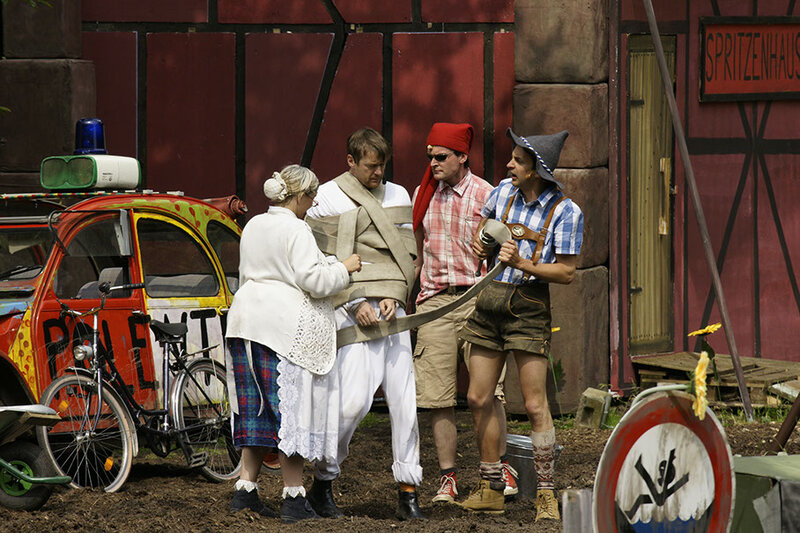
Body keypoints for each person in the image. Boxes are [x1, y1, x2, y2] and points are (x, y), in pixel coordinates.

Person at [225, 165, 362, 523]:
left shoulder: (254, 224)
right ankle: (294, 498)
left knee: (256, 412)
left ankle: (245, 491)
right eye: (311, 196)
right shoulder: (297, 229)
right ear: (300, 196)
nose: (313, 203)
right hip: (280, 327)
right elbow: (312, 280)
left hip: (244, 322)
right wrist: (344, 268)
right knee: (292, 415)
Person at [459, 128, 583, 520]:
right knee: (478, 397)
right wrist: (482, 245)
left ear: (535, 170)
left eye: (517, 160)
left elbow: (566, 272)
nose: (509, 164)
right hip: (490, 301)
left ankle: (545, 494)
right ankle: (491, 487)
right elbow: (483, 237)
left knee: (533, 403)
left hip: (529, 306)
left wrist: (522, 263)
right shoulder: (501, 194)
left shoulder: (566, 211)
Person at [305, 127, 425, 521]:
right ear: (350, 161)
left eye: (382, 166)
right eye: (371, 166)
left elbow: (407, 256)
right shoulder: (326, 196)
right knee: (352, 404)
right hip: (350, 309)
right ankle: (323, 482)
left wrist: (396, 294)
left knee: (405, 402)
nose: (378, 173)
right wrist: (354, 302)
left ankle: (408, 492)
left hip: (392, 310)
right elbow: (320, 257)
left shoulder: (399, 194)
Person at [410, 122, 517, 504]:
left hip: (477, 298)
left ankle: (500, 469)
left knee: (489, 393)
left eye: (441, 156)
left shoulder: (487, 194)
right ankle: (448, 478)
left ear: (462, 156)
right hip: (435, 303)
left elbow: (507, 248)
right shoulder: (423, 195)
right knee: (436, 397)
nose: (433, 164)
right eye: (430, 157)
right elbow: (417, 254)